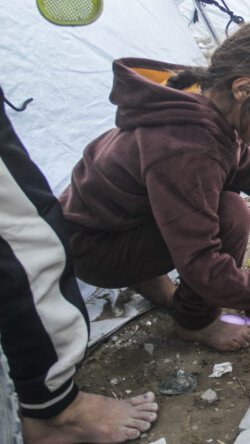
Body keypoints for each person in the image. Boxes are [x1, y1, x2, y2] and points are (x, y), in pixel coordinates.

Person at [58, 21, 250, 353]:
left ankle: (146, 276)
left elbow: (234, 153)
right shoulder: (187, 148)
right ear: (244, 89)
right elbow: (203, 261)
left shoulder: (201, 99)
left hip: (112, 224)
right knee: (231, 214)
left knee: (209, 201)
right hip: (97, 248)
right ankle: (196, 322)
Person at [1, 85, 158, 443]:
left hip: (98, 247)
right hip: (95, 253)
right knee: (25, 232)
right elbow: (20, 233)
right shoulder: (180, 140)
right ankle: (56, 411)